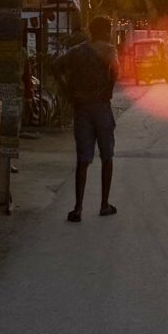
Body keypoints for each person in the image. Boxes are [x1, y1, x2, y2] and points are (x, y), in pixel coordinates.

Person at [54, 16, 120, 223]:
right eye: (109, 28)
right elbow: (115, 71)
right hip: (100, 107)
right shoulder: (109, 50)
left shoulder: (77, 51)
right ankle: (104, 204)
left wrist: (68, 91)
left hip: (81, 108)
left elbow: (56, 67)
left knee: (83, 159)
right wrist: (107, 90)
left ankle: (78, 208)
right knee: (107, 156)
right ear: (104, 31)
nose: (110, 32)